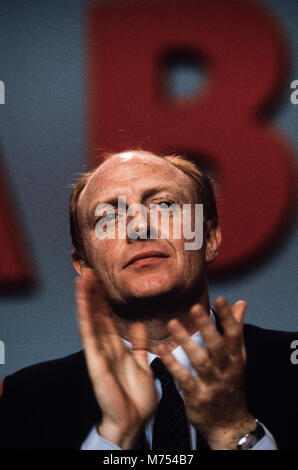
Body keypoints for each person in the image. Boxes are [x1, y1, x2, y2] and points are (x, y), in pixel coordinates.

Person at [0, 150, 297, 450]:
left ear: (209, 239)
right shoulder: (31, 400)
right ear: (86, 266)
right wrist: (113, 436)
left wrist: (233, 430)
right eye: (109, 217)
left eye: (165, 206)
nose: (139, 228)